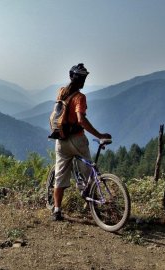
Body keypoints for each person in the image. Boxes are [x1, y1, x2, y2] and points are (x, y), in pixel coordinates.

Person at [51, 63, 111, 221]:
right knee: (89, 173)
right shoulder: (80, 97)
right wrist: (98, 134)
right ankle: (94, 208)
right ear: (82, 80)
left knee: (60, 176)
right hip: (77, 139)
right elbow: (81, 119)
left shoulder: (61, 92)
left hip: (61, 139)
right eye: (84, 78)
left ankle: (57, 210)